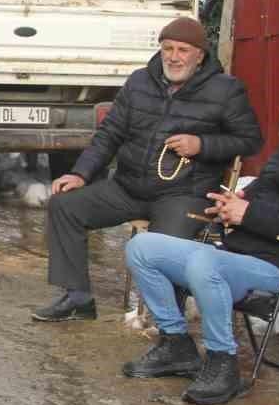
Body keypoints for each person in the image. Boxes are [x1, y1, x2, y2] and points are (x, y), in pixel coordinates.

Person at [123, 84, 279, 405]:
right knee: (142, 248)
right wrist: (230, 206)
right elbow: (255, 199)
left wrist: (251, 213)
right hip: (236, 256)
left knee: (204, 264)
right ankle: (176, 344)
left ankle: (222, 364)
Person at [31, 17, 263, 322]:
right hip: (128, 187)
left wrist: (201, 144)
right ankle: (78, 298)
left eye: (182, 50)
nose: (174, 56)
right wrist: (80, 174)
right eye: (168, 48)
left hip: (184, 193)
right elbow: (109, 133)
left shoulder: (225, 89)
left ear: (200, 55)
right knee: (64, 205)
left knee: (159, 247)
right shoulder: (140, 81)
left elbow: (250, 140)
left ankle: (168, 323)